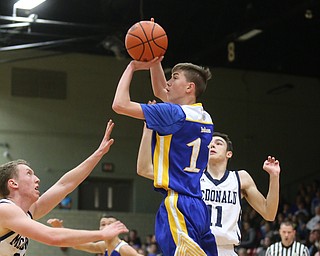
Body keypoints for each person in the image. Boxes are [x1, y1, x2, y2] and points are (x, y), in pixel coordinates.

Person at [112, 57, 217, 256]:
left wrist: (132, 66)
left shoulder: (173, 114)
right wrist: (154, 59)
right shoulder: (204, 116)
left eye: (174, 78)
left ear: (189, 87)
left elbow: (120, 104)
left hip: (178, 204)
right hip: (198, 206)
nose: (168, 82)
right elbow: (161, 91)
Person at [137, 129, 281, 255]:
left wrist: (274, 177)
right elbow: (144, 169)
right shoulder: (191, 176)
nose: (212, 145)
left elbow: (269, 213)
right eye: (210, 143)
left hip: (227, 250)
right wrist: (147, 130)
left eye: (219, 143)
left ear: (229, 154)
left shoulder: (240, 178)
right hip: (196, 248)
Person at [0, 120, 128, 256]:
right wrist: (102, 234)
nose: (37, 179)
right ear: (13, 183)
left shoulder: (28, 211)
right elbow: (52, 237)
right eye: (29, 174)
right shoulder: (5, 209)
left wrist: (99, 153)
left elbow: (65, 184)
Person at [48, 215, 144, 256]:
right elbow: (77, 244)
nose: (106, 227)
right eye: (103, 224)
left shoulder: (123, 249)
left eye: (110, 224)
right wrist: (60, 229)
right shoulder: (104, 246)